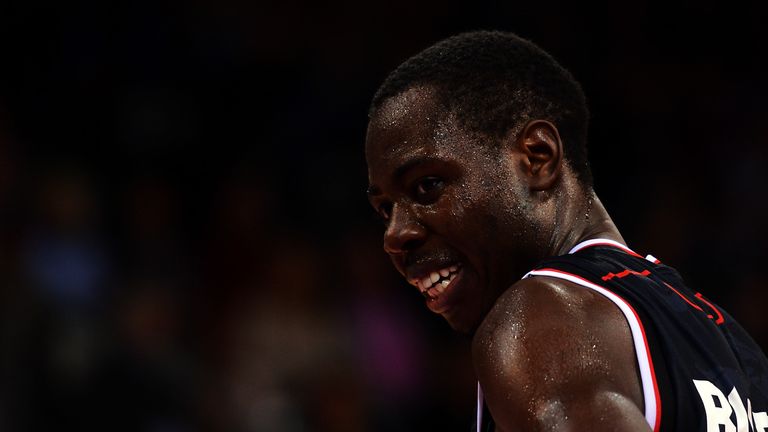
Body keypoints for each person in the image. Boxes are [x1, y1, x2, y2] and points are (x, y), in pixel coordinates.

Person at [364, 31, 768, 431]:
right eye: (385, 210)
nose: (394, 236)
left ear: (538, 158)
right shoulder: (732, 343)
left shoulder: (539, 321)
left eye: (427, 186)